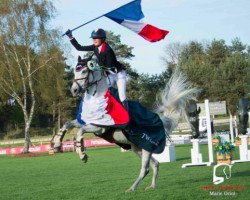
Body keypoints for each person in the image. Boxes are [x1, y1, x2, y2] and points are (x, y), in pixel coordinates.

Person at [65, 28, 128, 110]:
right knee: (103, 92)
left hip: (118, 74)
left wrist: (94, 67)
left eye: (96, 38)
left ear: (102, 39)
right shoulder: (95, 47)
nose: (94, 40)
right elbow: (79, 48)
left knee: (122, 96)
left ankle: (127, 116)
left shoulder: (108, 50)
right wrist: (70, 36)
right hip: (109, 74)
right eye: (93, 38)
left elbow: (109, 67)